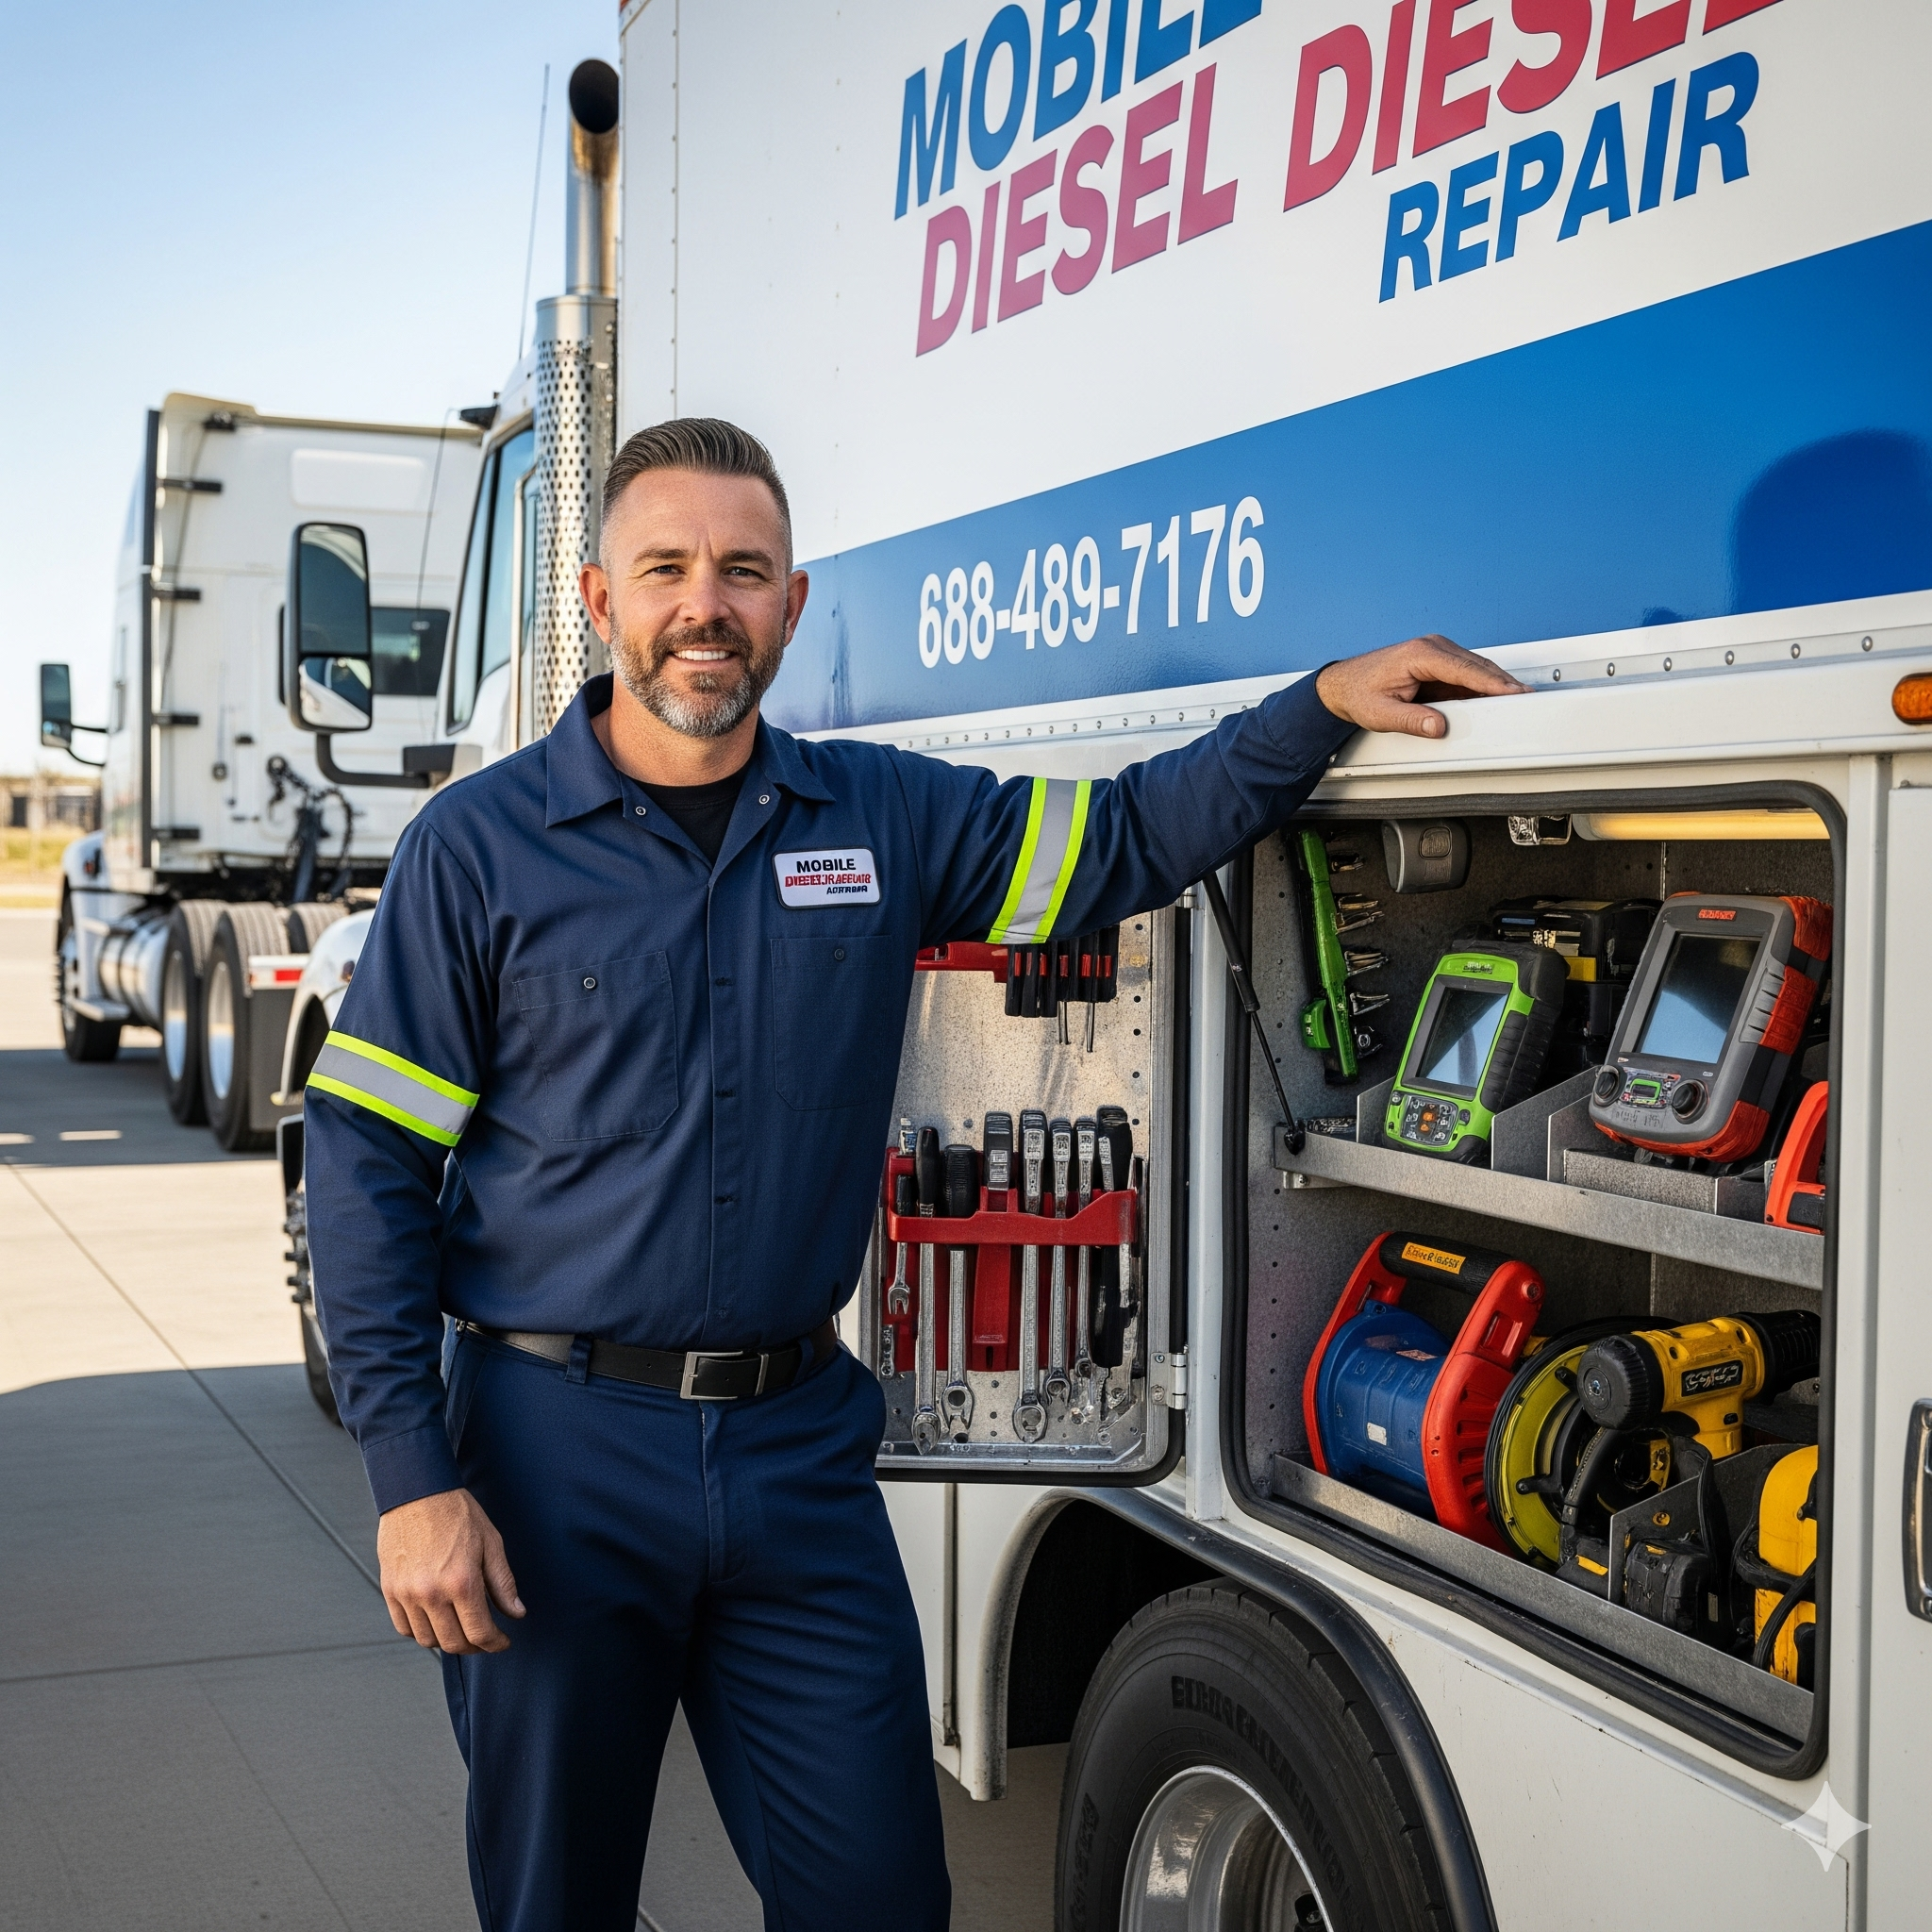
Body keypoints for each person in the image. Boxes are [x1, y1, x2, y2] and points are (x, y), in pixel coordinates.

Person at [304, 417, 1527, 1932]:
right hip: (555, 1454)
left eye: (743, 571)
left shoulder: (879, 819)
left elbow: (1134, 837)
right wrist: (411, 1479)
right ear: (600, 596)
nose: (708, 605)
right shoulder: (476, 851)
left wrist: (1316, 706)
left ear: (794, 603)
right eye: (668, 568)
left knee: (878, 1894)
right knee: (557, 1902)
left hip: (796, 1459)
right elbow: (362, 1168)